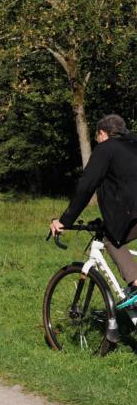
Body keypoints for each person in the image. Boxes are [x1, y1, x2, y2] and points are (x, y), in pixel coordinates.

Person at [49, 114, 137, 321]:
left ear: (102, 133)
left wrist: (65, 220)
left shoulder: (106, 148)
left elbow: (86, 186)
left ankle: (135, 283)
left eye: (97, 137)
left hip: (131, 212)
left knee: (110, 238)